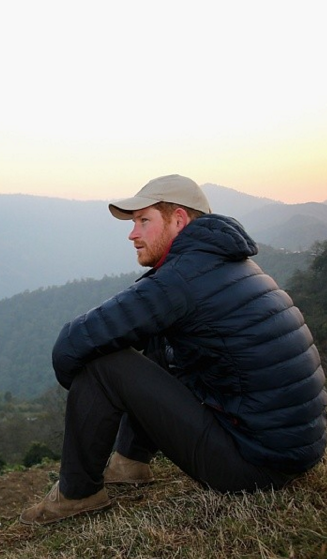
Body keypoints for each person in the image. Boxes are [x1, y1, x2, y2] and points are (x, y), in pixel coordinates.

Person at [19, 174, 327, 525]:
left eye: (143, 221)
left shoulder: (180, 279)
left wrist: (89, 387)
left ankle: (77, 494)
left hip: (254, 467)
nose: (132, 234)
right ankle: (130, 461)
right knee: (156, 338)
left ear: (178, 220)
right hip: (293, 451)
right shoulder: (231, 264)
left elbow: (71, 344)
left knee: (104, 364)